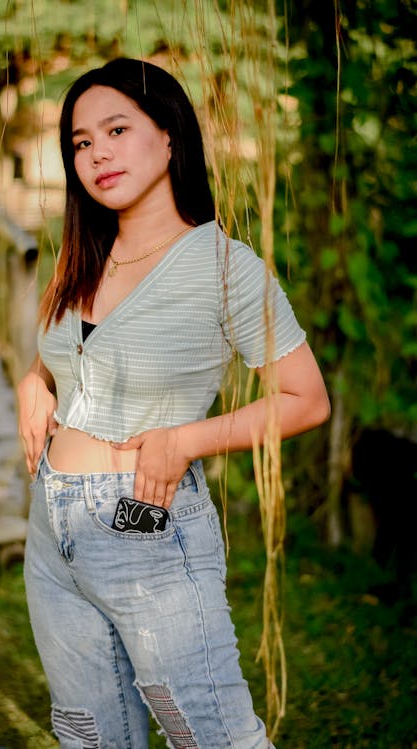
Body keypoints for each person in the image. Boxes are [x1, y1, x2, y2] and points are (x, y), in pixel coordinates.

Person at [17, 57, 330, 749]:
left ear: (169, 136)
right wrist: (31, 383)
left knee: (211, 736)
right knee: (90, 736)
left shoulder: (224, 268)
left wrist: (186, 440)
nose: (96, 152)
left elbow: (306, 399)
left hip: (146, 527)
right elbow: (63, 355)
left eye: (117, 129)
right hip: (52, 528)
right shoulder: (83, 256)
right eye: (80, 141)